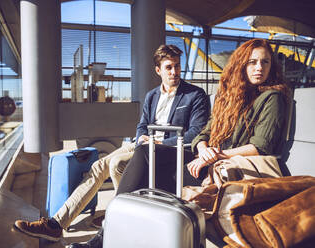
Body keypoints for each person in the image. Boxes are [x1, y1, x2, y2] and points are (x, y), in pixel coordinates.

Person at [69, 38, 291, 248]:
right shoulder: (230, 97)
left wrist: (214, 155)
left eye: (265, 62)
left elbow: (261, 146)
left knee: (143, 168)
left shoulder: (272, 97)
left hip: (226, 165)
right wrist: (203, 148)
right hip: (205, 158)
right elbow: (203, 133)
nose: (259, 67)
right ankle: (110, 232)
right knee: (142, 156)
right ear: (242, 65)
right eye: (252, 62)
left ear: (272, 66)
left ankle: (110, 234)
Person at [14, 44, 209, 242]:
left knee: (116, 164)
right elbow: (142, 125)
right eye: (169, 67)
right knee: (99, 165)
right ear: (158, 70)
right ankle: (56, 224)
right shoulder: (152, 96)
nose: (174, 71)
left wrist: (160, 141)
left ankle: (116, 220)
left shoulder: (195, 94)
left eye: (177, 66)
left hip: (169, 149)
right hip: (145, 145)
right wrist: (142, 139)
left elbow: (196, 132)